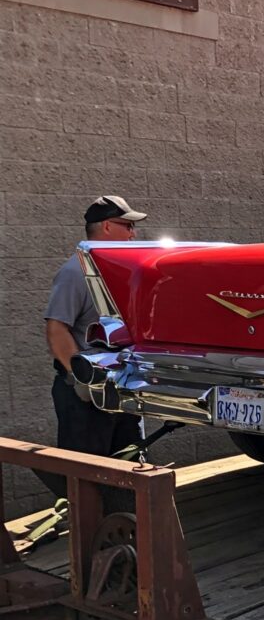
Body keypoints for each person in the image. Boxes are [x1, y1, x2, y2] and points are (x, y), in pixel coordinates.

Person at [41, 195, 145, 495]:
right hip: (85, 394)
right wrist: (78, 379)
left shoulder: (115, 272)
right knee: (87, 477)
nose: (133, 234)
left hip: (120, 387)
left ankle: (130, 532)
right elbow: (56, 327)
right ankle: (89, 537)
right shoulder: (75, 272)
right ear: (107, 227)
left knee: (130, 466)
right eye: (127, 226)